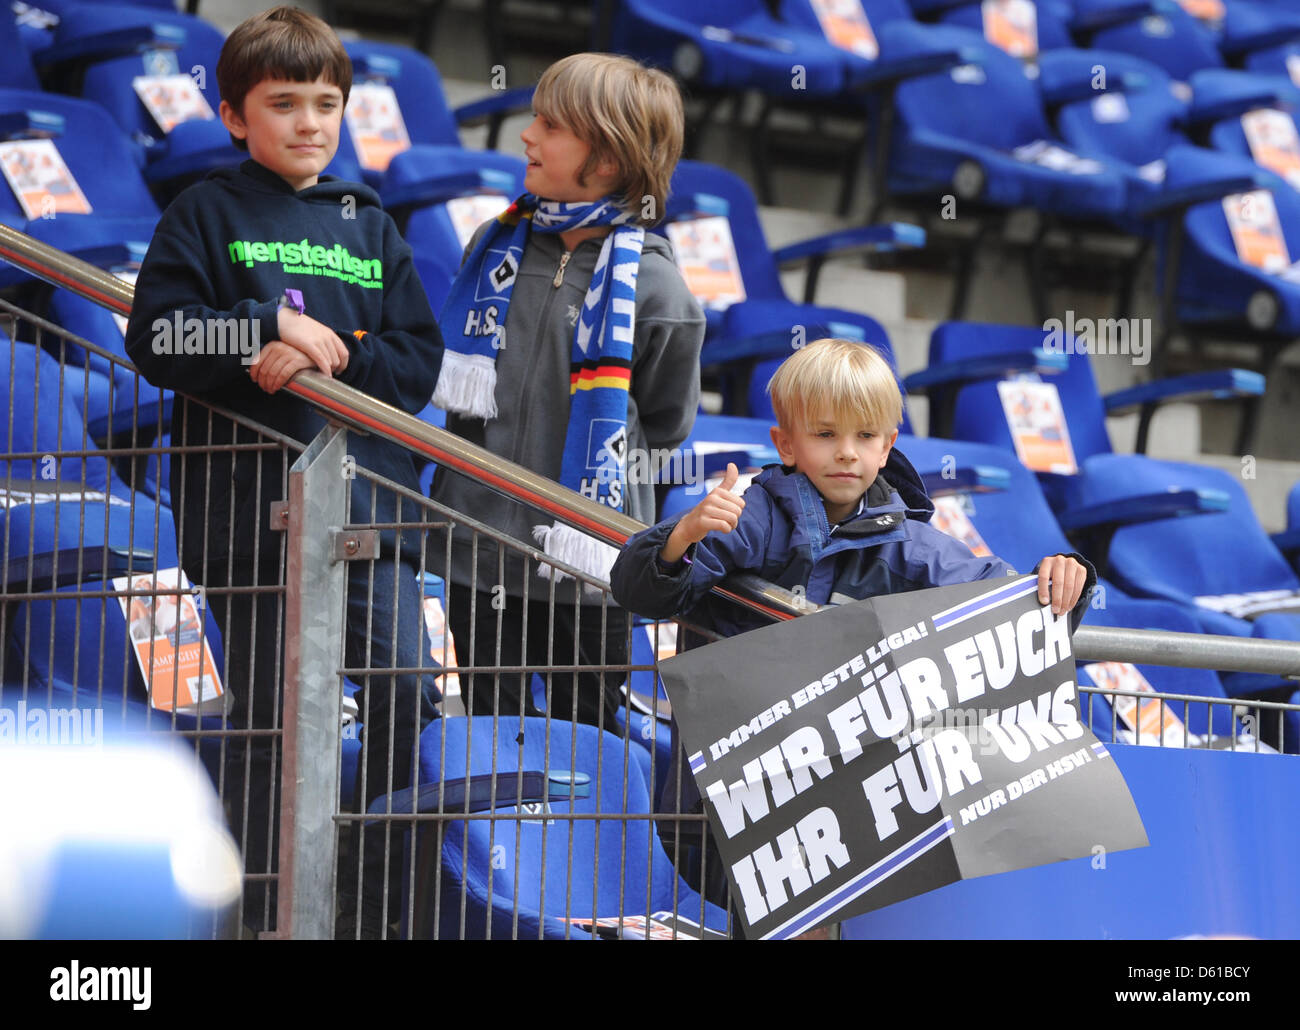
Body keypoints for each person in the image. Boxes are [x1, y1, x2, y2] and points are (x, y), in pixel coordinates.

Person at [124, 6, 443, 935]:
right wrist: (262, 327)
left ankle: (373, 898)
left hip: (369, 516)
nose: (309, 122)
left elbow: (415, 366)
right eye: (284, 104)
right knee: (273, 718)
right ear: (234, 117)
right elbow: (159, 336)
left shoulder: (371, 222)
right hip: (246, 516)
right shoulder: (206, 211)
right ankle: (264, 909)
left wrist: (326, 350)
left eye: (326, 104)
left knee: (405, 693)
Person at [610, 339, 1095, 822]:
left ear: (887, 448)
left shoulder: (912, 546)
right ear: (786, 445)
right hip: (720, 802)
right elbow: (638, 591)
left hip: (841, 813)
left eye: (864, 436)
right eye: (825, 434)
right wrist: (682, 538)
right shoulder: (748, 518)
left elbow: (1004, 603)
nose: (846, 453)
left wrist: (1061, 575)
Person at [430, 52, 705, 727]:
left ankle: (572, 842)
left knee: (588, 735)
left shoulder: (657, 285)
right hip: (479, 545)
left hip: (592, 559)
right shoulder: (489, 247)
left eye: (549, 126)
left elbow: (666, 424)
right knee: (494, 729)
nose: (527, 136)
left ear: (607, 158)